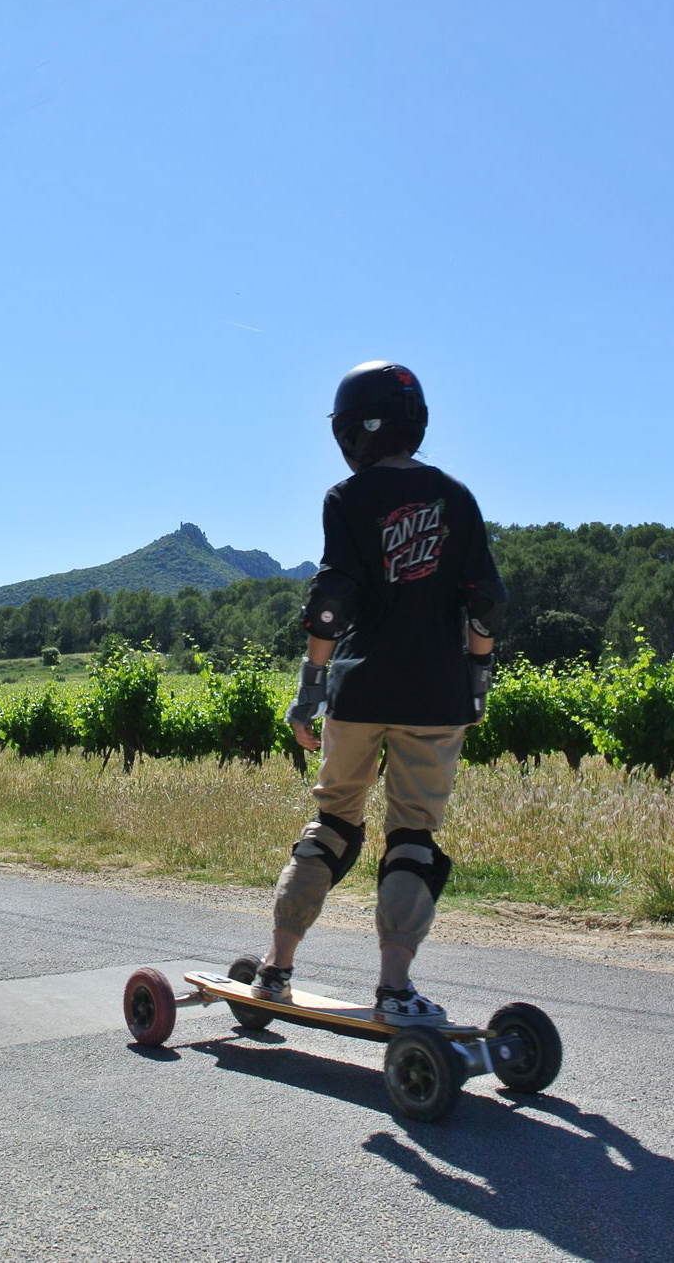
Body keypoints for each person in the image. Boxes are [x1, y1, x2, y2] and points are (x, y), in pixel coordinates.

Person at [254, 361, 507, 1025]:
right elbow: (484, 603)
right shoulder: (459, 498)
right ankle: (395, 988)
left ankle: (275, 969)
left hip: (359, 690)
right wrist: (476, 684)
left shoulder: (347, 497)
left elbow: (333, 599)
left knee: (333, 824)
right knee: (413, 837)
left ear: (352, 429)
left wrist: (309, 690)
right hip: (434, 693)